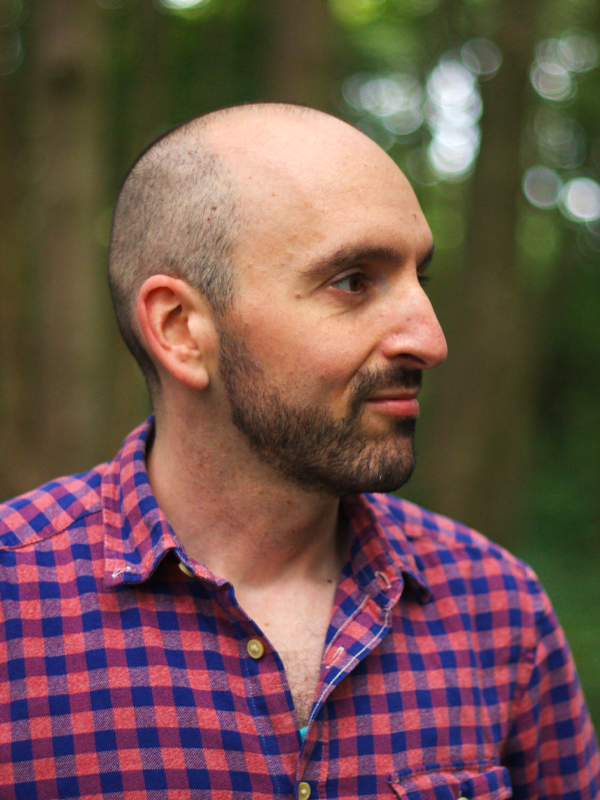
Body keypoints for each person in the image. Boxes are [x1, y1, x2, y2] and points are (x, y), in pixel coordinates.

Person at [0, 104, 598, 800]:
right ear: (181, 329)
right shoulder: (15, 603)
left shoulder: (498, 610)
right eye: (353, 282)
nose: (430, 341)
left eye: (418, 280)